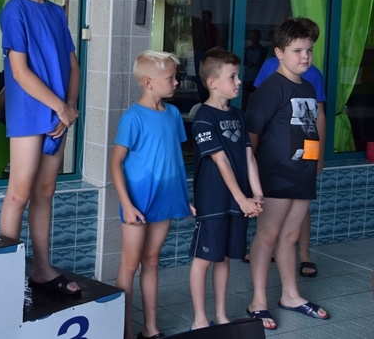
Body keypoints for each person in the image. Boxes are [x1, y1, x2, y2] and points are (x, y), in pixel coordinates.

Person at [0, 0, 81, 297]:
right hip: (30, 115)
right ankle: (4, 275)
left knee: (45, 191)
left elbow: (73, 66)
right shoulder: (14, 11)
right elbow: (20, 72)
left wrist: (68, 110)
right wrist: (60, 107)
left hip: (58, 117)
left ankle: (42, 269)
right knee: (19, 193)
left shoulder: (56, 14)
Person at [245, 17, 330, 330]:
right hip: (275, 175)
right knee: (267, 236)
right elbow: (251, 135)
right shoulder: (271, 88)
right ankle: (258, 300)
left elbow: (310, 129)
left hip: (301, 172)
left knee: (291, 236)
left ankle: (291, 295)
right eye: (297, 50)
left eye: (309, 50)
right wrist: (251, 178)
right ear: (279, 53)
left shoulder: (308, 86)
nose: (305, 56)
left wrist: (316, 160)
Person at [109, 50, 193, 339]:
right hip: (138, 200)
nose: (176, 82)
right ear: (148, 83)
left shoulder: (173, 114)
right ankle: (124, 329)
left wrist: (183, 198)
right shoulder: (133, 118)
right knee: (130, 263)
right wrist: (127, 204)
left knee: (153, 260)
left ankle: (151, 327)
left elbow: (172, 159)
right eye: (170, 78)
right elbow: (115, 163)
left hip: (165, 198)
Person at [188, 48, 263, 330]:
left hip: (239, 200)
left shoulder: (239, 115)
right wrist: (243, 199)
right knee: (204, 259)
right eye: (232, 76)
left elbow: (248, 157)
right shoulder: (203, 117)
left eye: (238, 75)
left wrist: (257, 194)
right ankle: (199, 319)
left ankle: (220, 315)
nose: (239, 81)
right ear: (212, 82)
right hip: (214, 200)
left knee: (225, 258)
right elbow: (220, 161)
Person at [242, 29, 267, 109]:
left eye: (254, 36)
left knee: (256, 99)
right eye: (251, 36)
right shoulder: (248, 49)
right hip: (247, 77)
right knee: (244, 97)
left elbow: (263, 64)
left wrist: (254, 64)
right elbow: (244, 61)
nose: (252, 38)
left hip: (257, 77)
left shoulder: (262, 50)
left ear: (259, 37)